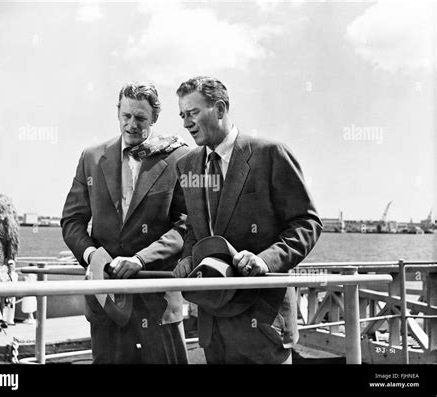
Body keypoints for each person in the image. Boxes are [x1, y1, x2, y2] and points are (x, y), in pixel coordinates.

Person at [173, 76, 323, 364]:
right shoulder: (188, 164)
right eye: (182, 115)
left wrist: (265, 261)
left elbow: (307, 223)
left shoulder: (270, 154)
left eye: (192, 113)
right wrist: (187, 257)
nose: (186, 123)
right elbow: (194, 227)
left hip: (263, 323)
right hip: (213, 325)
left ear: (219, 108)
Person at [61, 81, 190, 364]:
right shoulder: (91, 157)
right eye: (126, 116)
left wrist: (141, 260)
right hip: (105, 301)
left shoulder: (179, 158)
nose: (131, 125)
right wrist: (91, 255)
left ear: (155, 118)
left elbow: (184, 226)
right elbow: (72, 221)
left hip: (157, 303)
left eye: (141, 118)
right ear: (118, 112)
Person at [1, 259, 18, 326]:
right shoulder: (5, 274)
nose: (11, 266)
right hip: (7, 292)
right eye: (9, 265)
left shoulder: (15, 275)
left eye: (12, 264)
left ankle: (10, 320)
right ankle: (4, 320)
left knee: (12, 306)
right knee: (5, 306)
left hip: (13, 292)